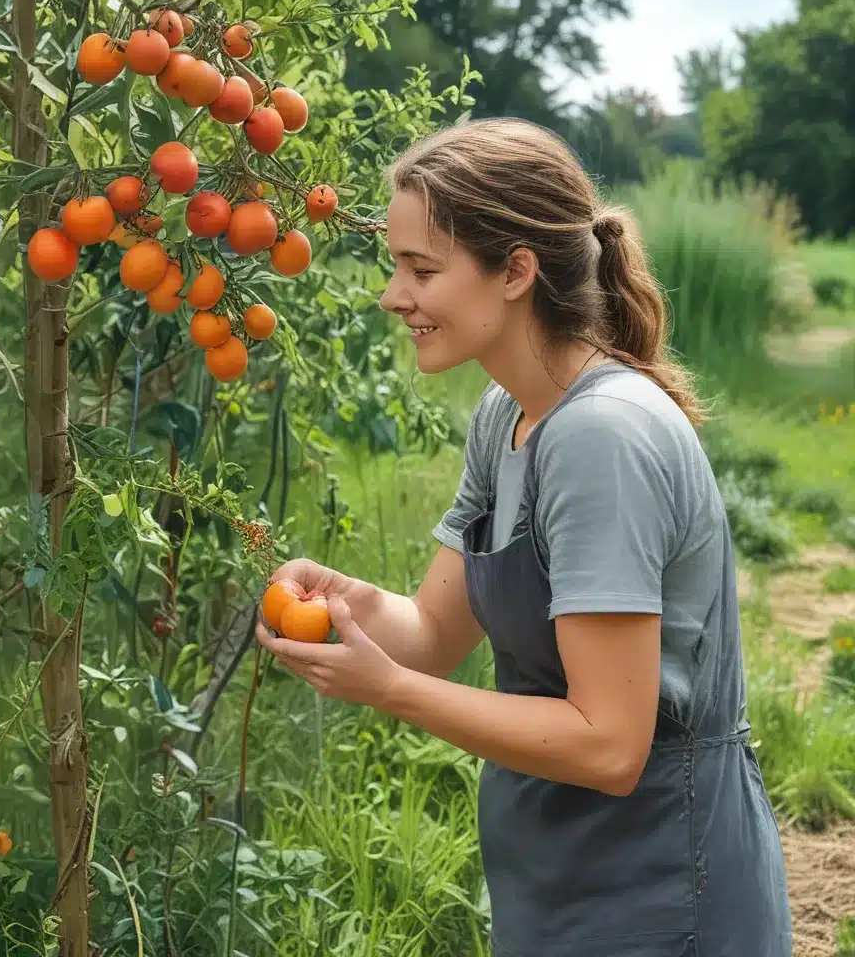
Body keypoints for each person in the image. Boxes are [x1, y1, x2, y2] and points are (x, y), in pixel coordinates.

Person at [255, 117, 792, 956]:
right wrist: (353, 612)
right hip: (560, 881)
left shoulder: (600, 438)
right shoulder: (509, 417)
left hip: (660, 892)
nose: (394, 296)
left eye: (421, 269)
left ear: (516, 271)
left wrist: (385, 689)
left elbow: (611, 744)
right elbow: (431, 637)